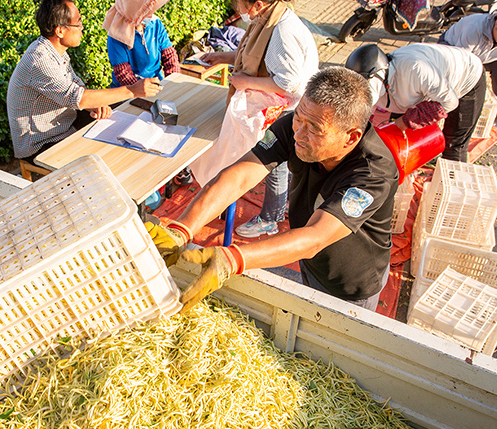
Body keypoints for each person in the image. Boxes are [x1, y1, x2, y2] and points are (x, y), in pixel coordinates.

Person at [147, 67, 399, 313]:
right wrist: (182, 229)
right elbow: (241, 174)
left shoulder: (373, 173)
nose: (299, 133)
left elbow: (315, 237)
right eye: (299, 117)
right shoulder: (297, 125)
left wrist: (232, 259)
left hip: (349, 282)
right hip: (306, 258)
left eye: (314, 129)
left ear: (351, 138)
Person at [196, 0, 319, 239]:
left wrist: (245, 83)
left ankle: (270, 219)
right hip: (290, 102)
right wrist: (223, 57)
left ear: (257, 5)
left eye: (240, 5)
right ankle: (278, 207)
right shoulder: (272, 18)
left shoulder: (280, 33)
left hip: (291, 106)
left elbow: (289, 83)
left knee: (270, 157)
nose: (238, 10)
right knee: (278, 158)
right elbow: (252, 56)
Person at [6, 0, 161, 161]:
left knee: (122, 126)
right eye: (77, 23)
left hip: (65, 123)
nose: (82, 28)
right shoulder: (40, 60)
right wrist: (133, 90)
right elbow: (77, 98)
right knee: (111, 155)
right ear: (60, 31)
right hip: (41, 143)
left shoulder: (56, 51)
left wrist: (93, 105)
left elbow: (77, 91)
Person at [346, 42, 483, 163]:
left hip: (467, 76)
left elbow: (449, 102)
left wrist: (405, 122)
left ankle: (453, 182)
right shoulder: (375, 81)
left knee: (454, 146)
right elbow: (365, 115)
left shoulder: (416, 70)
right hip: (425, 90)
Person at [439, 6, 497, 127]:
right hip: (454, 50)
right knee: (456, 78)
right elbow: (461, 62)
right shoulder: (475, 27)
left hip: (485, 56)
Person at [103, 0, 181, 88]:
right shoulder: (116, 35)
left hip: (156, 84)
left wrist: (173, 83)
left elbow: (169, 55)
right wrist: (142, 91)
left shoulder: (156, 24)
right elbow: (123, 72)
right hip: (128, 90)